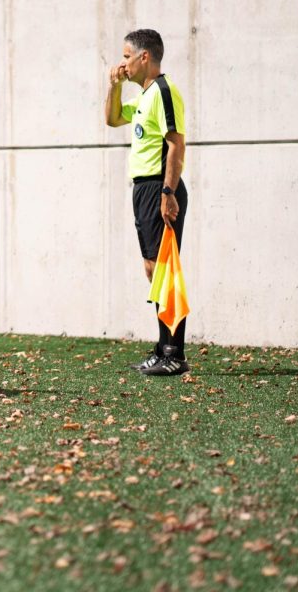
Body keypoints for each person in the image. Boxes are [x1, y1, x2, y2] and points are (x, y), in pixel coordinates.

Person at [105, 29, 190, 376]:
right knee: (153, 270)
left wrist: (168, 194)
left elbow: (176, 144)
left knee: (165, 271)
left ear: (144, 58)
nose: (122, 62)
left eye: (126, 56)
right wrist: (113, 85)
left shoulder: (164, 92)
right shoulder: (143, 95)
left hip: (160, 188)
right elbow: (111, 119)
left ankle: (174, 354)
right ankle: (162, 348)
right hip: (142, 190)